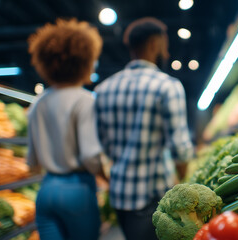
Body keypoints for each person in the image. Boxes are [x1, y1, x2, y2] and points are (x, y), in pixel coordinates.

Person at [94, 17, 195, 240]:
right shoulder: (167, 86)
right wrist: (181, 181)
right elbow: (181, 149)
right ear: (154, 44)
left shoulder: (103, 90)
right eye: (164, 45)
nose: (166, 52)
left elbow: (99, 146)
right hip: (154, 196)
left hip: (120, 197)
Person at [27, 19, 107, 240]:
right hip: (77, 191)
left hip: (46, 191)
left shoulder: (38, 103)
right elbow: (90, 155)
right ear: (85, 60)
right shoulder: (84, 100)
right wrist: (106, 175)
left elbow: (32, 162)